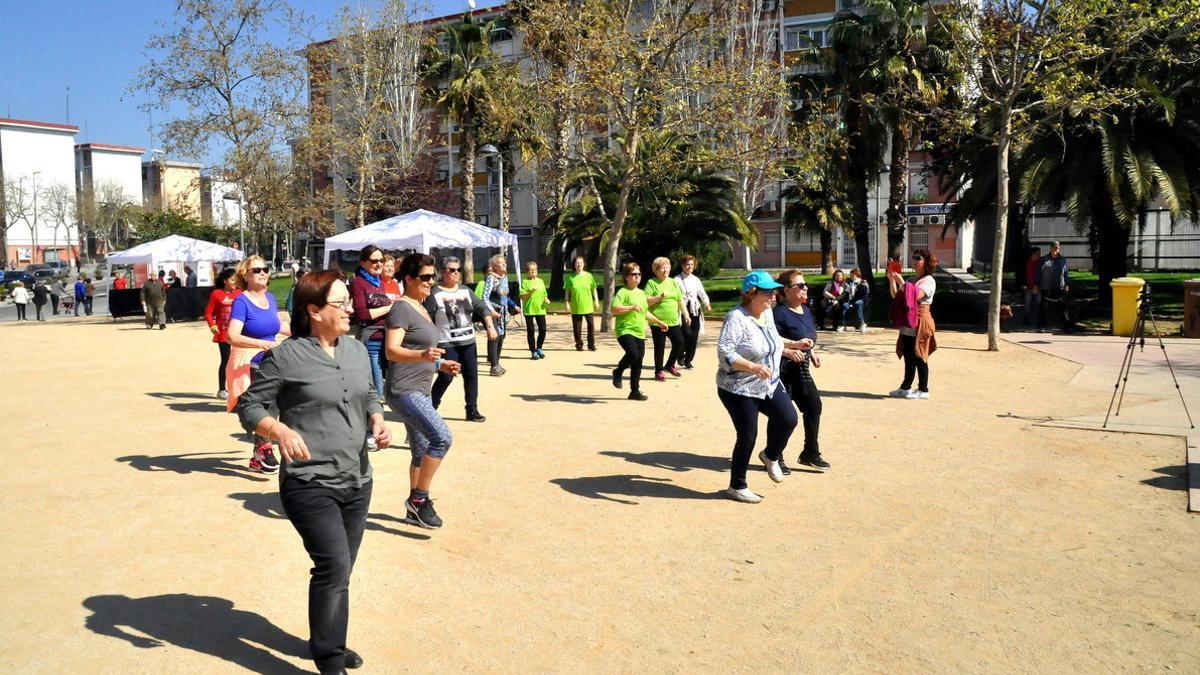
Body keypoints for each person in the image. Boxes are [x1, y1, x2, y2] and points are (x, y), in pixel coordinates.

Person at [235, 269, 388, 675]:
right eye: (340, 303)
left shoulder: (355, 350)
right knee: (334, 567)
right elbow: (250, 407)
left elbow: (369, 393)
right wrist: (278, 429)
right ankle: (329, 659)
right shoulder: (286, 356)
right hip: (309, 482)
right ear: (314, 310)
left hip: (358, 478)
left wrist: (377, 418)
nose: (351, 308)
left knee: (342, 570)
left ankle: (326, 639)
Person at [716, 271, 809, 503]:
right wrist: (751, 366)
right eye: (768, 291)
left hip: (767, 382)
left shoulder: (766, 313)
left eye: (774, 291)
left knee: (788, 418)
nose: (773, 295)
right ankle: (737, 486)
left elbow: (773, 340)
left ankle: (770, 455)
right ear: (751, 294)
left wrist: (792, 345)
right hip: (737, 388)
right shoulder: (736, 318)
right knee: (747, 435)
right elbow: (724, 352)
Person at [385, 253, 462, 529]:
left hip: (420, 387)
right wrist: (424, 356)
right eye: (425, 277)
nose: (431, 282)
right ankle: (419, 499)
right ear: (408, 279)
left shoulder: (421, 306)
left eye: (433, 277)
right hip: (403, 389)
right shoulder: (401, 308)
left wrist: (440, 363)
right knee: (441, 438)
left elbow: (422, 350)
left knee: (420, 452)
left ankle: (412, 510)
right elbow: (391, 350)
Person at [226, 255, 289, 473]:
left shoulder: (270, 298)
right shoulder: (241, 301)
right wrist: (262, 344)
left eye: (265, 269)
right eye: (256, 270)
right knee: (266, 404)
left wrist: (307, 332)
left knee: (278, 402)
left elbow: (278, 325)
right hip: (249, 360)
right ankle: (265, 448)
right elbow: (231, 335)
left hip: (271, 359)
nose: (263, 272)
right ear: (245, 275)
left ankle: (258, 455)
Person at [425, 256, 496, 423]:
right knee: (446, 377)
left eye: (458, 270)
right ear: (443, 272)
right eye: (452, 270)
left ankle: (472, 409)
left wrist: (490, 326)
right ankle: (430, 409)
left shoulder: (465, 290)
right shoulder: (435, 293)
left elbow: (482, 307)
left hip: (468, 342)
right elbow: (426, 317)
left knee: (471, 376)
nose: (456, 273)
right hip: (447, 343)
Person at [773, 269, 829, 473]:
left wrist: (811, 352)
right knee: (782, 414)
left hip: (802, 369)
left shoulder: (805, 311)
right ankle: (775, 455)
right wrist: (788, 351)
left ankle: (810, 453)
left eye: (805, 285)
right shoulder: (778, 313)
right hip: (783, 369)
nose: (806, 288)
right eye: (800, 285)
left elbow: (806, 337)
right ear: (786, 291)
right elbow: (771, 341)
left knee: (814, 406)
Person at [611, 262, 669, 401]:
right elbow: (614, 309)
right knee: (633, 354)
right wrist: (630, 307)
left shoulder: (641, 293)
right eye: (633, 274)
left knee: (638, 361)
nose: (637, 276)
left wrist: (659, 322)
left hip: (639, 331)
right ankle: (618, 372)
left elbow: (645, 312)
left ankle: (634, 391)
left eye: (639, 274)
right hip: (624, 330)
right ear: (626, 277)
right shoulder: (623, 292)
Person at [887, 250, 938, 400]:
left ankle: (923, 389)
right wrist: (892, 281)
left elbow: (915, 296)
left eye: (918, 258)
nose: (914, 260)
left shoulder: (929, 280)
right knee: (908, 355)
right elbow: (896, 296)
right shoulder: (912, 279)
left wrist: (902, 282)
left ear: (926, 262)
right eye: (913, 257)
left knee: (920, 354)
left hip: (921, 320)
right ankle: (906, 387)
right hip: (909, 320)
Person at [349, 245, 395, 401]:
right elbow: (361, 314)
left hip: (386, 338)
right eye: (374, 261)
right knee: (376, 387)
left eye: (381, 260)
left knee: (387, 384)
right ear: (363, 263)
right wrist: (389, 307)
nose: (379, 264)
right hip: (371, 339)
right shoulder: (358, 283)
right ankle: (374, 420)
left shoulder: (380, 283)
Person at [645, 256, 688, 380]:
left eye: (667, 267)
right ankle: (658, 371)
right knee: (660, 346)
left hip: (673, 321)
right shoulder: (651, 283)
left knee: (679, 342)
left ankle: (669, 365)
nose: (666, 270)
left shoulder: (673, 282)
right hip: (657, 322)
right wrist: (659, 297)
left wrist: (686, 314)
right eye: (662, 268)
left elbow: (680, 300)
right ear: (656, 270)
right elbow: (646, 301)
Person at [205, 268, 243, 400]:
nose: (235, 282)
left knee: (239, 361)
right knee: (226, 361)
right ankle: (222, 389)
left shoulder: (240, 293)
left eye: (236, 279)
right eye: (232, 279)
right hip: (224, 334)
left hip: (239, 334)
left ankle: (239, 388)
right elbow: (208, 313)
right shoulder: (217, 294)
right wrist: (212, 325)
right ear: (225, 281)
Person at [482, 254, 520, 376]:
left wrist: (513, 305)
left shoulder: (504, 277)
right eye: (500, 263)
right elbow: (484, 297)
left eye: (505, 262)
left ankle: (496, 362)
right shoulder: (491, 278)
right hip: (493, 311)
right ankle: (493, 366)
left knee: (502, 336)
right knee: (495, 336)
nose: (504, 264)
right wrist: (491, 311)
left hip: (503, 312)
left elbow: (505, 296)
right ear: (494, 266)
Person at [675, 254, 711, 369]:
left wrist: (706, 303)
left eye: (691, 264)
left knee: (694, 336)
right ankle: (680, 355)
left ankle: (688, 360)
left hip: (695, 309)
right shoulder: (676, 279)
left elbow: (701, 292)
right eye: (687, 264)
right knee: (686, 334)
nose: (689, 267)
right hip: (683, 308)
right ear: (682, 265)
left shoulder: (695, 279)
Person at [564, 255, 599, 351]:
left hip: (588, 306)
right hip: (576, 306)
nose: (579, 264)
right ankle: (579, 344)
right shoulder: (570, 277)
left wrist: (596, 301)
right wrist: (566, 302)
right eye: (577, 263)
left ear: (584, 264)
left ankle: (591, 344)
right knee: (577, 328)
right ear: (574, 265)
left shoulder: (589, 276)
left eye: (580, 262)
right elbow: (567, 291)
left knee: (591, 326)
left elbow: (594, 289)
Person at [1037, 241, 1072, 332]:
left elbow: (1066, 274)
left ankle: (1067, 326)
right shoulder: (1044, 259)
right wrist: (1036, 285)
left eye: (1057, 247)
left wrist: (1067, 285)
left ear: (1059, 248)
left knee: (1063, 307)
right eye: (1054, 247)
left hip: (1059, 287)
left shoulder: (1063, 259)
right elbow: (1038, 273)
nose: (1055, 249)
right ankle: (1041, 326)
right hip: (1046, 287)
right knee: (1043, 307)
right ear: (1050, 248)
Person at [520, 261, 549, 359]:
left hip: (540, 309)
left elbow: (544, 293)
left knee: (543, 330)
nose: (533, 271)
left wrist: (546, 299)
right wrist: (530, 292)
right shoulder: (525, 282)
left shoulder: (541, 281)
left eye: (535, 269)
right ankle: (533, 351)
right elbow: (522, 297)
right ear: (527, 272)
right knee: (531, 331)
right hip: (529, 310)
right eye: (530, 270)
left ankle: (539, 347)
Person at [845, 268, 871, 332]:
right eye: (850, 275)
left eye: (852, 275)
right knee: (845, 305)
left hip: (862, 299)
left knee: (858, 303)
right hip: (852, 300)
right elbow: (847, 293)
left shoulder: (862, 282)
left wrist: (856, 288)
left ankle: (862, 323)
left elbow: (865, 292)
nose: (851, 277)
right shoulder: (850, 283)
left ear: (857, 275)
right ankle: (842, 324)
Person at [1024, 246, 1041, 327]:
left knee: (1038, 303)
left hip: (1038, 286)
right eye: (1037, 254)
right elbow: (1026, 275)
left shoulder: (1040, 263)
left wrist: (1036, 286)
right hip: (1029, 286)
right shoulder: (1027, 262)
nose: (1039, 256)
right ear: (1032, 254)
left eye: (1039, 254)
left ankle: (1038, 321)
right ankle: (1026, 319)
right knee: (1027, 304)